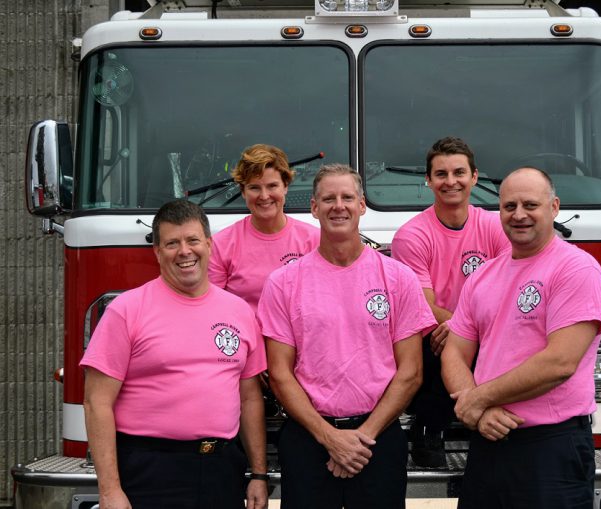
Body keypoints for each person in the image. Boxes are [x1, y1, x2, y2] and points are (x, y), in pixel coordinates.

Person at [258, 164, 436, 509]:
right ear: (313, 207)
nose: (338, 206)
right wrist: (329, 438)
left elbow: (411, 371)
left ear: (362, 205)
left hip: (378, 437)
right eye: (328, 198)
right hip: (308, 438)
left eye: (347, 198)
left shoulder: (398, 278)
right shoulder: (283, 282)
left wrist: (360, 439)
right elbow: (279, 374)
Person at [441, 167, 601, 509]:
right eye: (509, 206)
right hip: (488, 442)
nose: (519, 215)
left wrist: (478, 400)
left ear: (554, 207)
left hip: (551, 448)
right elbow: (454, 352)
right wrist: (476, 410)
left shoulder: (576, 269)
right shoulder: (483, 276)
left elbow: (559, 363)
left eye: (531, 205)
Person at [81, 199, 269, 509]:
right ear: (156, 251)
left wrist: (259, 474)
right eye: (172, 243)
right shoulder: (126, 311)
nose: (184, 251)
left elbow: (249, 399)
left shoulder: (239, 312)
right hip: (149, 471)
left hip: (222, 469)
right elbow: (96, 402)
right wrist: (110, 490)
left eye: (193, 240)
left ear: (209, 244)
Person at [390, 136, 509, 467]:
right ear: (428, 180)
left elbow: (511, 291)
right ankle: (428, 431)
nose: (450, 181)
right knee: (442, 346)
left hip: (487, 328)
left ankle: (506, 430)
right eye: (440, 174)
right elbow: (422, 304)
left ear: (474, 176)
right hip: (438, 331)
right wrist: (462, 328)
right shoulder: (412, 235)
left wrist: (472, 328)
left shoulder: (496, 226)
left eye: (459, 172)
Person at [209, 143, 320, 315]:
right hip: (246, 338)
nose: (264, 196)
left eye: (272, 186)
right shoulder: (221, 244)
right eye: (254, 187)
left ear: (286, 186)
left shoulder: (314, 240)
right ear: (243, 192)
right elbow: (212, 307)